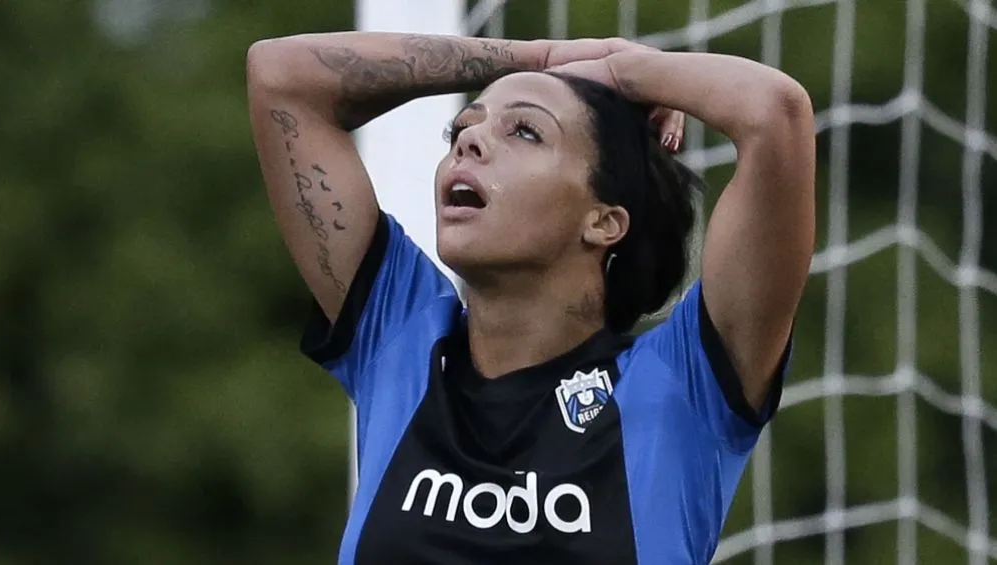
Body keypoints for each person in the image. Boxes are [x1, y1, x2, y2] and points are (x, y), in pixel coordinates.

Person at [246, 31, 815, 565]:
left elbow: (774, 110)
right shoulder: (401, 335)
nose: (469, 140)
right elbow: (281, 76)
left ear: (604, 221)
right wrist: (544, 58)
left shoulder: (680, 386)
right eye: (462, 130)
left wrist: (622, 68)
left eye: (524, 132)